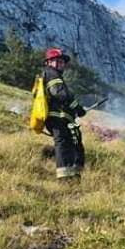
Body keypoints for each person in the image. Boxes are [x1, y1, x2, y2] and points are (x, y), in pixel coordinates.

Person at [41, 48, 85, 180]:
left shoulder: (54, 75)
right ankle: (65, 179)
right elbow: (61, 95)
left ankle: (73, 175)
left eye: (62, 62)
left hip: (62, 118)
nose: (61, 64)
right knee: (63, 145)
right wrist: (77, 107)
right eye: (58, 61)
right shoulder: (51, 74)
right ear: (49, 62)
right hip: (57, 118)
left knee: (71, 145)